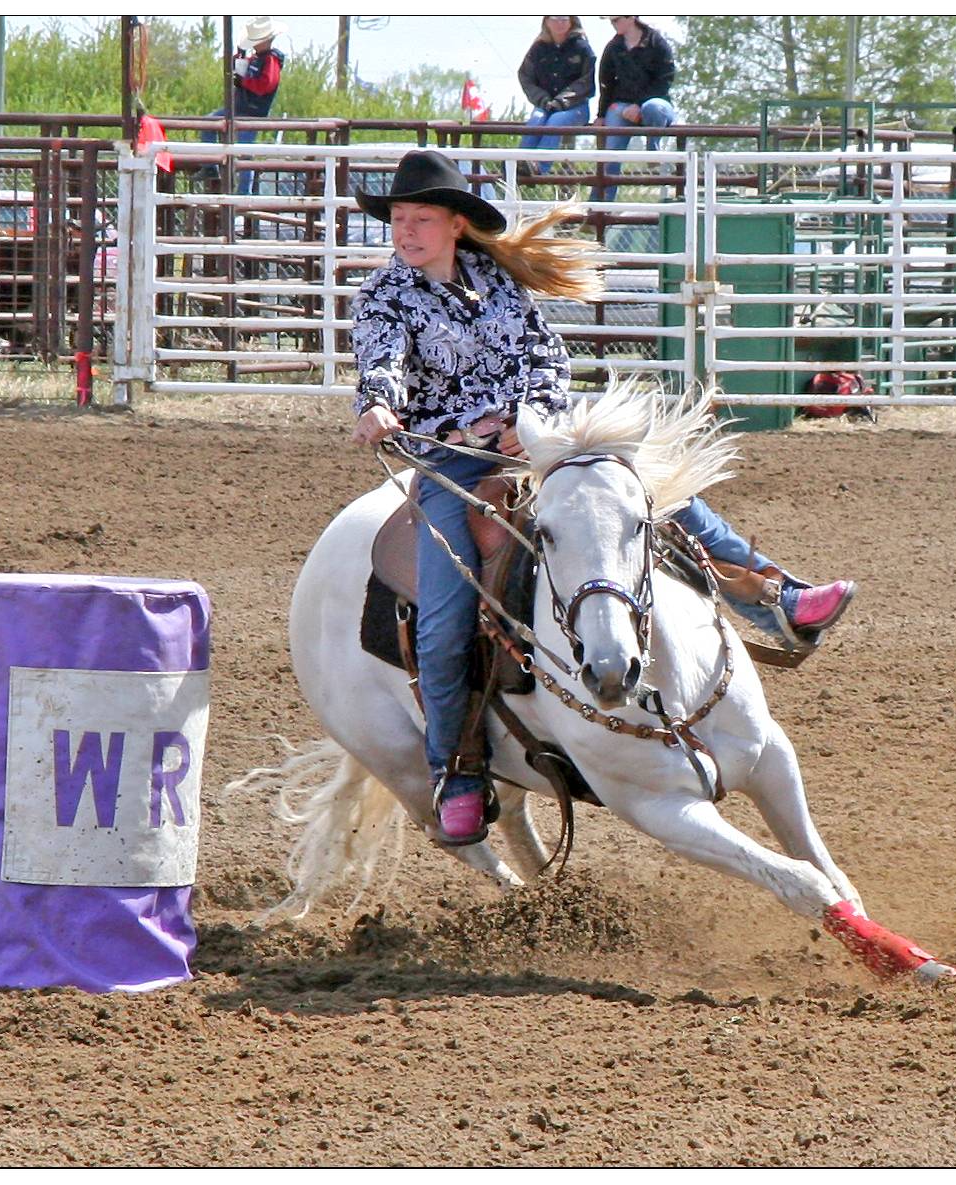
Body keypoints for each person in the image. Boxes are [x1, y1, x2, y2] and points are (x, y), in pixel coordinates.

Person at [350, 149, 856, 846]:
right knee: (441, 618)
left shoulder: (496, 280)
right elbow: (382, 363)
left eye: (420, 218)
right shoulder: (384, 297)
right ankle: (457, 769)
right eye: (399, 219)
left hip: (537, 438)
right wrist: (378, 406)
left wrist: (529, 422)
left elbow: (545, 358)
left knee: (648, 491)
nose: (405, 231)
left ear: (456, 225)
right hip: (453, 462)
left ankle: (777, 597)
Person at [198, 16, 287, 196]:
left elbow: (265, 86)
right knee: (209, 123)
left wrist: (243, 82)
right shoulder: (258, 59)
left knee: (245, 151)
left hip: (252, 112)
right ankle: (211, 168)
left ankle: (243, 193)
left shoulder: (270, 61)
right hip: (242, 108)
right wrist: (238, 61)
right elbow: (250, 76)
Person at [595, 16, 678, 202]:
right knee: (610, 153)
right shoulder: (613, 47)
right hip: (622, 105)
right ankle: (598, 208)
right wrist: (601, 114)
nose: (613, 24)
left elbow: (665, 79)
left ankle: (653, 151)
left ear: (631, 17)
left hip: (656, 101)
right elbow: (606, 83)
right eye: (611, 21)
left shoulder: (657, 42)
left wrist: (639, 104)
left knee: (654, 108)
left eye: (616, 20)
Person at [517, 16, 596, 176]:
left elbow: (587, 81)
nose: (559, 23)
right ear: (546, 21)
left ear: (572, 22)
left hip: (576, 108)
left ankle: (539, 166)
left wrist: (562, 101)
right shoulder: (538, 48)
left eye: (564, 19)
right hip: (545, 106)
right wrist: (543, 99)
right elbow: (525, 76)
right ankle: (519, 163)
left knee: (556, 120)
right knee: (537, 118)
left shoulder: (582, 47)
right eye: (555, 19)